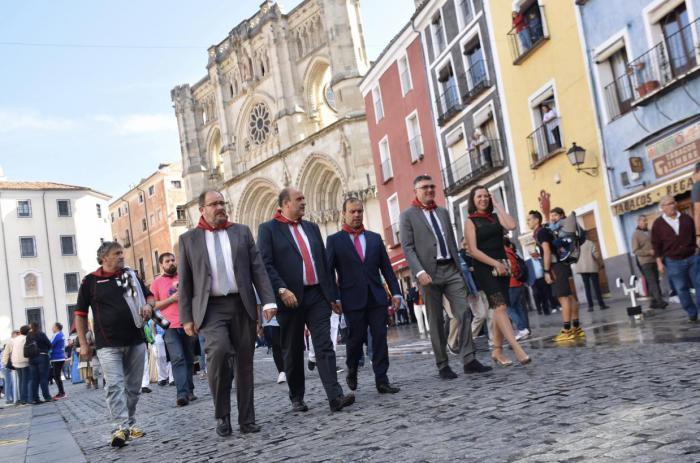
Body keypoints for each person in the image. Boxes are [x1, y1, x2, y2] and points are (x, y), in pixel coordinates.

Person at [179, 190, 276, 437]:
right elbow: (186, 282)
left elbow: (258, 269)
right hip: (210, 308)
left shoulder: (241, 231)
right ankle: (222, 416)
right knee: (219, 353)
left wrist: (267, 302)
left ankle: (247, 420)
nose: (220, 207)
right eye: (214, 204)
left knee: (245, 363)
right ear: (201, 209)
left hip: (241, 304)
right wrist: (186, 317)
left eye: (222, 203)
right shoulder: (188, 240)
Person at [258, 187, 354, 412]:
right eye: (298, 199)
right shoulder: (268, 229)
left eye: (303, 198)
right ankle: (297, 397)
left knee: (324, 345)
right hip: (289, 298)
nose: (303, 202)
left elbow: (323, 263)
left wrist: (332, 295)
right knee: (292, 348)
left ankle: (335, 396)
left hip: (316, 295)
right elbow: (265, 264)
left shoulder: (311, 227)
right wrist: (281, 289)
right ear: (285, 204)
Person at [399, 175, 491, 379]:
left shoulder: (442, 212)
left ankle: (469, 359)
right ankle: (443, 365)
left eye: (432, 186)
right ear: (416, 191)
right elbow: (407, 247)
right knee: (435, 320)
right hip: (427, 273)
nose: (429, 190)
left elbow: (450, 241)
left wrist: (461, 269)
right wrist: (419, 272)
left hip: (451, 269)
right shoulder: (407, 216)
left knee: (465, 312)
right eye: (424, 187)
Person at [76, 241, 155, 448]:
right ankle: (119, 426)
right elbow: (80, 315)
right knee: (114, 386)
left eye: (122, 252)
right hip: (107, 344)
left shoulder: (131, 276)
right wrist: (83, 344)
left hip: (136, 340)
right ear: (105, 258)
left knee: (133, 388)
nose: (122, 256)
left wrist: (148, 305)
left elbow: (150, 296)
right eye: (117, 253)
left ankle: (128, 424)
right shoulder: (90, 282)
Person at [327, 197, 401, 395]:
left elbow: (386, 268)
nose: (357, 214)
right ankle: (352, 368)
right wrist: (334, 298)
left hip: (376, 297)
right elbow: (328, 272)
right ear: (344, 213)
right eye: (352, 211)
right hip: (351, 299)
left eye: (360, 211)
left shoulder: (375, 238)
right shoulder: (334, 241)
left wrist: (395, 292)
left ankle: (382, 380)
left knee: (379, 338)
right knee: (355, 339)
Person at [464, 186, 530, 366]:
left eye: (486, 196)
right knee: (500, 307)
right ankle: (517, 348)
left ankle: (497, 350)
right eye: (479, 196)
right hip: (485, 268)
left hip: (503, 267)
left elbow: (512, 225)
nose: (483, 199)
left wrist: (498, 204)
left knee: (498, 308)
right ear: (473, 199)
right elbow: (473, 250)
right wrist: (495, 263)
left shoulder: (494, 217)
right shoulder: (471, 221)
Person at [528, 205, 582, 342]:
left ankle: (567, 330)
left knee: (563, 297)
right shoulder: (545, 231)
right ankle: (576, 328)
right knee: (569, 296)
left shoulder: (540, 232)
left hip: (556, 266)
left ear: (536, 220)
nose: (527, 222)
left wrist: (546, 271)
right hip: (562, 264)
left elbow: (546, 251)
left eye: (529, 220)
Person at [151, 252, 196, 407]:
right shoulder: (156, 283)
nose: (171, 263)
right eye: (167, 261)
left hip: (188, 323)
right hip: (169, 327)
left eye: (172, 260)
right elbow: (153, 306)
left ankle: (190, 389)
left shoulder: (183, 277)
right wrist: (171, 299)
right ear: (161, 265)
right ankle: (181, 394)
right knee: (177, 358)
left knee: (189, 359)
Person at [651, 195, 700, 322]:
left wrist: (696, 249)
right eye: (668, 204)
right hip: (673, 261)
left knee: (699, 283)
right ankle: (692, 312)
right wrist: (659, 262)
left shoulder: (686, 218)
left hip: (692, 258)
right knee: (681, 289)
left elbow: (694, 235)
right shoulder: (658, 224)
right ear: (662, 208)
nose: (672, 205)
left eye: (673, 203)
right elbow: (656, 244)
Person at [632, 215, 667, 309]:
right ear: (638, 222)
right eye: (644, 221)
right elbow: (635, 251)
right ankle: (660, 301)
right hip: (644, 262)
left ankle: (653, 302)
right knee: (652, 282)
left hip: (654, 260)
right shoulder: (635, 234)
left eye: (646, 220)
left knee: (655, 281)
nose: (646, 222)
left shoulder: (651, 232)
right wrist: (648, 252)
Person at [504, 239, 531, 340]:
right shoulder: (513, 252)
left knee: (508, 308)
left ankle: (522, 328)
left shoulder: (505, 253)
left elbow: (511, 269)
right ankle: (525, 330)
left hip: (511, 284)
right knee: (518, 307)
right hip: (519, 283)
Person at [573, 236, 609, 312]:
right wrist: (600, 263)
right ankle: (601, 305)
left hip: (582, 269)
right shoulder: (590, 243)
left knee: (587, 287)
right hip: (592, 267)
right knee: (596, 287)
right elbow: (596, 255)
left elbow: (574, 256)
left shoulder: (576, 245)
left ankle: (590, 306)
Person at [27, 322, 53, 404]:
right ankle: (47, 397)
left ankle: (35, 398)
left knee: (34, 379)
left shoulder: (29, 336)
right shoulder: (41, 334)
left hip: (31, 359)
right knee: (43, 378)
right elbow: (49, 344)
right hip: (42, 357)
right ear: (38, 327)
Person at [1, 331, 20, 405]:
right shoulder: (11, 342)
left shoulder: (10, 343)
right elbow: (5, 357)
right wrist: (6, 364)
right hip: (7, 366)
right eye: (17, 334)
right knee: (9, 383)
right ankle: (9, 399)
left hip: (6, 366)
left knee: (10, 383)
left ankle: (11, 398)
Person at [49, 323, 66, 399]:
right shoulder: (61, 334)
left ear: (56, 327)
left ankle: (62, 393)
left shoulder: (57, 335)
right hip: (59, 357)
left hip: (57, 358)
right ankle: (61, 392)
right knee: (56, 376)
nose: (52, 328)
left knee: (56, 376)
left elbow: (50, 344)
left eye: (53, 327)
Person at [691, 162, 700, 250]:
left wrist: (698, 235)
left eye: (694, 173)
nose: (693, 176)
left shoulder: (697, 186)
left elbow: (697, 212)